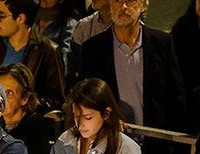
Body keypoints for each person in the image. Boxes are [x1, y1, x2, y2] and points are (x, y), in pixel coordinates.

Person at [76, 0, 186, 137]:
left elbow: (176, 98)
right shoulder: (93, 49)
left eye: (130, 0)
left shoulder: (162, 44)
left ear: (144, 4)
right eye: (117, 1)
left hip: (155, 143)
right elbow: (85, 99)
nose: (123, 7)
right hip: (109, 142)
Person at [0, 0, 65, 112]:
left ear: (20, 18)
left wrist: (23, 102)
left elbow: (56, 102)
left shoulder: (47, 51)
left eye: (1, 16)